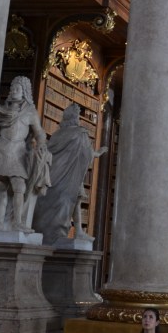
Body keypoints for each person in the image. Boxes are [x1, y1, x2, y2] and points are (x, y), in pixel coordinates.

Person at [0, 75, 52, 232]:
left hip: (18, 152)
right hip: (1, 150)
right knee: (0, 186)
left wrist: (41, 146)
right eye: (12, 88)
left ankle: (18, 222)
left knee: (19, 186)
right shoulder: (2, 111)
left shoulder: (30, 113)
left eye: (17, 88)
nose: (13, 91)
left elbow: (39, 133)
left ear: (25, 91)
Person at [33, 104, 101, 243]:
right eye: (77, 116)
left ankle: (78, 231)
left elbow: (48, 152)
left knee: (73, 201)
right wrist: (97, 154)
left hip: (55, 174)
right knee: (73, 201)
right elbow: (87, 153)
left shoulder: (57, 134)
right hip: (71, 175)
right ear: (75, 118)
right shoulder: (80, 133)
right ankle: (72, 232)